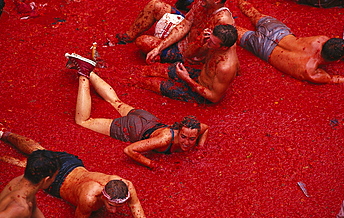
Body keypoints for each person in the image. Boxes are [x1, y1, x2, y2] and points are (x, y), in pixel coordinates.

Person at [64, 52, 209, 169]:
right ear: (179, 130)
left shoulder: (197, 128)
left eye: (192, 139)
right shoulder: (164, 139)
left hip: (147, 118)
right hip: (133, 128)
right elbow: (129, 150)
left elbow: (206, 128)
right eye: (184, 137)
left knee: (116, 101)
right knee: (83, 121)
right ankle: (83, 74)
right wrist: (154, 165)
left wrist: (200, 148)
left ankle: (87, 69)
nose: (187, 143)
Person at [0, 125, 146, 218]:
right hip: (59, 182)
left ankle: (3, 135)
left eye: (118, 207)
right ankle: (5, 136)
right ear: (103, 194)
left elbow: (137, 209)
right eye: (111, 206)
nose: (113, 212)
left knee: (38, 153)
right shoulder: (88, 198)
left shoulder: (127, 186)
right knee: (32, 159)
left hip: (73, 165)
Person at [109, 0, 235, 65]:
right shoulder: (203, 2)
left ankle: (162, 58)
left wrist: (193, 57)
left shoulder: (222, 20)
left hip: (185, 51)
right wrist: (160, 47)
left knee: (142, 42)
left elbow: (217, 49)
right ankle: (127, 37)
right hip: (183, 32)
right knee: (155, 5)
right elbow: (185, 24)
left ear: (217, 0)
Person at [236, 0, 344, 84]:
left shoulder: (320, 40)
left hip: (278, 32)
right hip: (265, 49)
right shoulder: (311, 72)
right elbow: (334, 79)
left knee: (254, 13)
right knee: (232, 32)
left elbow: (341, 48)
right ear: (335, 60)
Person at [136, 24, 239, 103]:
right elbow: (187, 55)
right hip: (199, 76)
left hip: (202, 95)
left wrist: (187, 79)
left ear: (224, 48)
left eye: (212, 42)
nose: (208, 42)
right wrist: (199, 43)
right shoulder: (216, 42)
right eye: (210, 38)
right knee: (153, 69)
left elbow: (214, 97)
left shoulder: (225, 68)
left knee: (149, 83)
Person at [0, 142, 60, 218]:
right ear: (46, 179)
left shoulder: (25, 185)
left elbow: (34, 210)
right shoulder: (19, 208)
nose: (54, 180)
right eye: (54, 177)